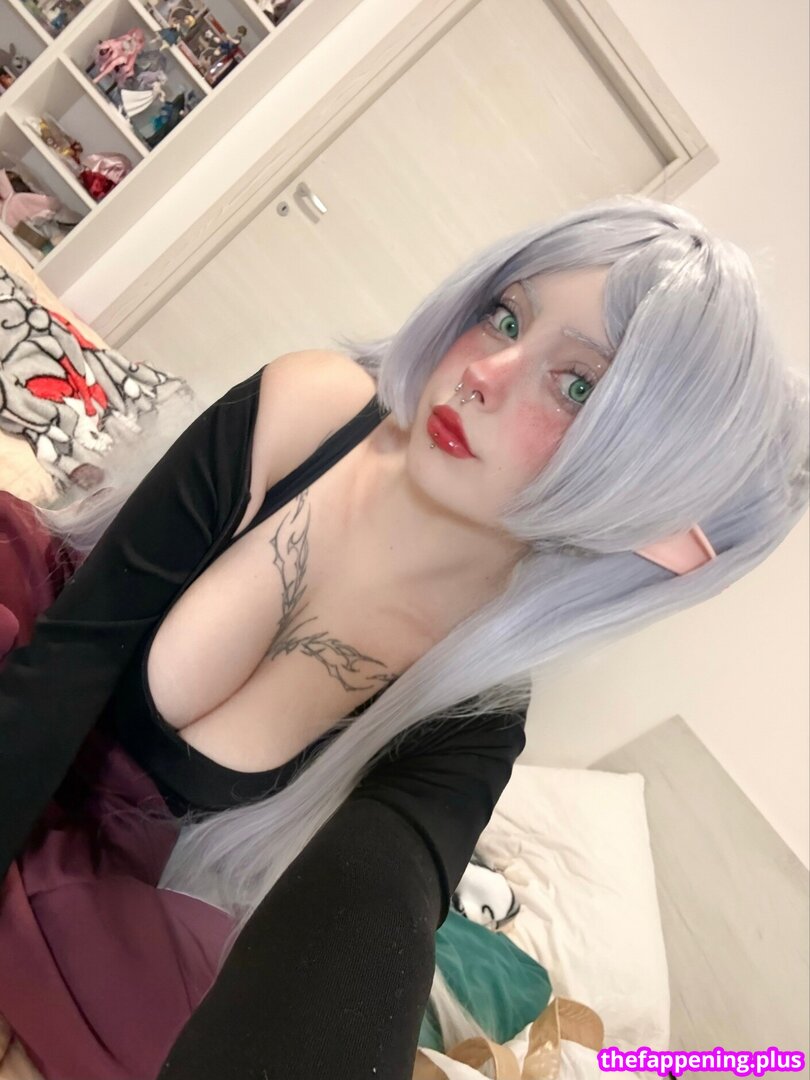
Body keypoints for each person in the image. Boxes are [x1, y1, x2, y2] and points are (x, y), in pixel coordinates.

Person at [0, 194, 807, 1079]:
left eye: (578, 386)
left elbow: (376, 910)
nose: (484, 372)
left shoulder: (470, 714)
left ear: (642, 494)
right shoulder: (309, 409)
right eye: (506, 315)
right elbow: (67, 663)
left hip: (104, 881)